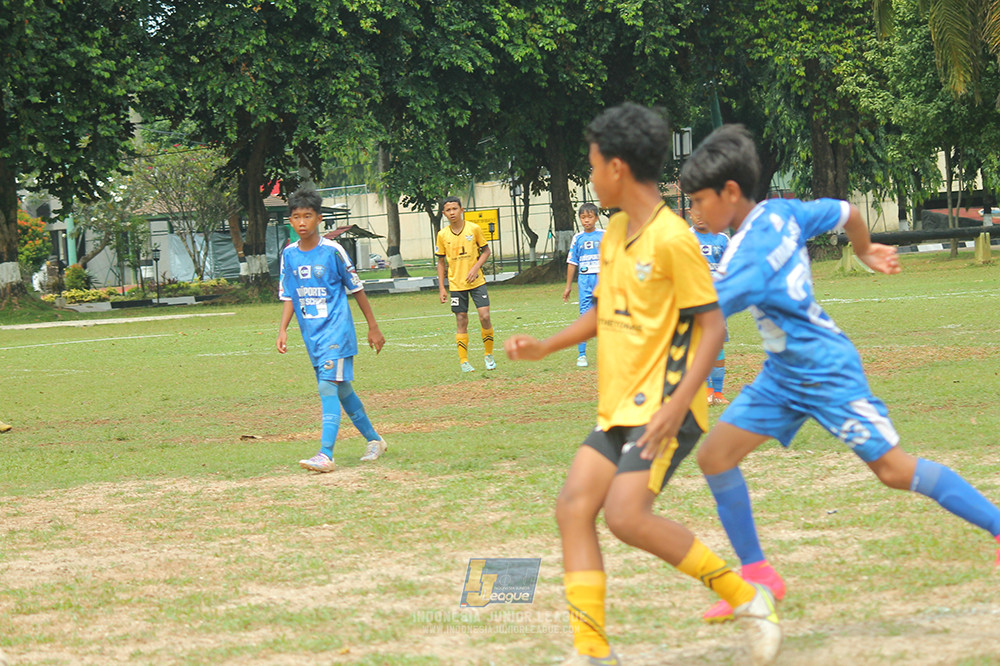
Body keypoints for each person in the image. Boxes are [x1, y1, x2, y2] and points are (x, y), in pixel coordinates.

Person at [681, 124, 1000, 624]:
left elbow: (705, 313)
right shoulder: (783, 211)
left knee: (894, 471)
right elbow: (847, 211)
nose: (694, 213)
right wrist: (865, 248)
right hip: (783, 374)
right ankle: (759, 574)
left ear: (731, 192)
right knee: (716, 457)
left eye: (697, 201)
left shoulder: (749, 254)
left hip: (826, 370)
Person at [505, 104, 781, 666]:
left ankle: (745, 597)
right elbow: (606, 310)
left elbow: (712, 326)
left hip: (667, 406)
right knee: (573, 507)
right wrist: (547, 345)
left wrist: (678, 404)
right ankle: (592, 651)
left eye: (592, 164)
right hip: (620, 405)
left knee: (626, 516)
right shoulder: (612, 230)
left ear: (617, 168)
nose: (589, 175)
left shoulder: (673, 239)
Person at [277, 189, 388, 473]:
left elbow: (357, 289)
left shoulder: (333, 251)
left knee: (327, 386)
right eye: (296, 217)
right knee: (343, 391)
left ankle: (325, 454)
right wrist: (283, 330)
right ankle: (375, 440)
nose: (302, 222)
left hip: (337, 332)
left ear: (319, 219)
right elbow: (290, 294)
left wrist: (373, 328)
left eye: (308, 216)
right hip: (312, 335)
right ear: (290, 220)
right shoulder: (289, 255)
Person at [436, 196, 496, 372]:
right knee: (461, 319)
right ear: (444, 213)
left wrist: (475, 267)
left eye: (455, 208)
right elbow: (440, 263)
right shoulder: (442, 235)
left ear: (462, 210)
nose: (452, 212)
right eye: (448, 210)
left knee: (484, 316)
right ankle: (464, 361)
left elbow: (486, 251)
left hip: (477, 282)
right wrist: (441, 287)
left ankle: (488, 355)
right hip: (456, 285)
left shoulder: (474, 229)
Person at [690, 213, 731, 405]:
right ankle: (705, 390)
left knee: (717, 344)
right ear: (689, 214)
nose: (700, 217)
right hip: (692, 301)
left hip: (717, 301)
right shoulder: (684, 238)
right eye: (696, 213)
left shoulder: (722, 239)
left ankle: (719, 392)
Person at [563, 203, 605, 367]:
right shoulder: (577, 238)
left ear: (596, 218)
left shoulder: (604, 235)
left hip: (602, 279)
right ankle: (582, 355)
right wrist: (568, 286)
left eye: (590, 217)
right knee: (585, 317)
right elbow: (572, 262)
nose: (586, 220)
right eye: (583, 217)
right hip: (584, 280)